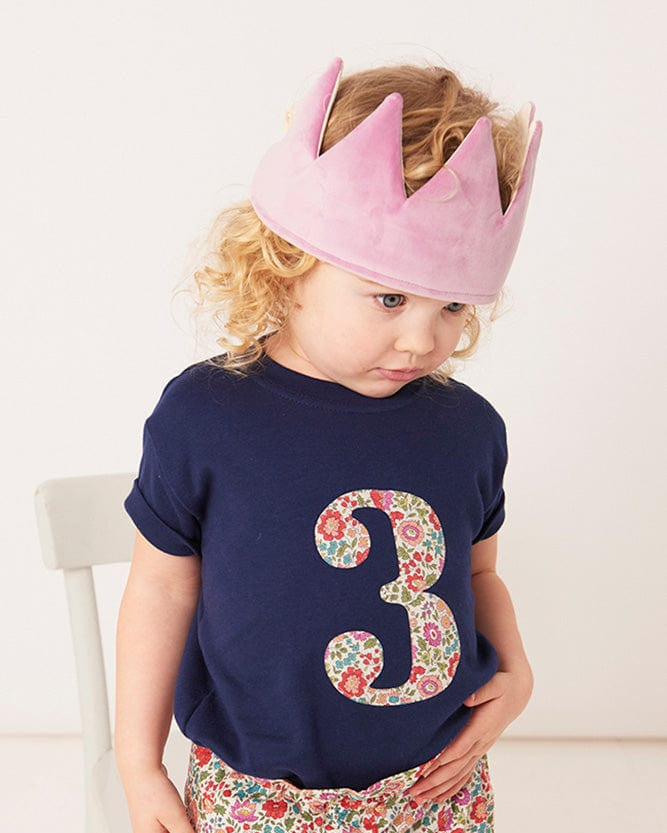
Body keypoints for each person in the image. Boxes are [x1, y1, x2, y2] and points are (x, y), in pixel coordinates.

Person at [114, 55, 543, 833]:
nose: (422, 338)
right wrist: (139, 765)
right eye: (387, 295)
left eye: (450, 304)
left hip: (434, 792)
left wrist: (516, 673)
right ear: (287, 265)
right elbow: (162, 591)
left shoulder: (468, 428)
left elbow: (477, 573)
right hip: (261, 797)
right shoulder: (207, 415)